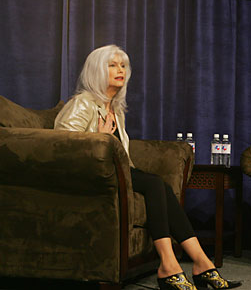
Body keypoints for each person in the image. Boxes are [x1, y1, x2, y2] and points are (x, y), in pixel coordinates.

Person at [54, 44, 241, 290]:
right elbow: (60, 144)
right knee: (154, 184)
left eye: (123, 65)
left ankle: (201, 262)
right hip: (93, 176)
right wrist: (97, 139)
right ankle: (169, 265)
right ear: (97, 70)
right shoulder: (83, 103)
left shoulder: (115, 109)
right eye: (112, 65)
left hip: (117, 172)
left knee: (160, 186)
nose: (120, 70)